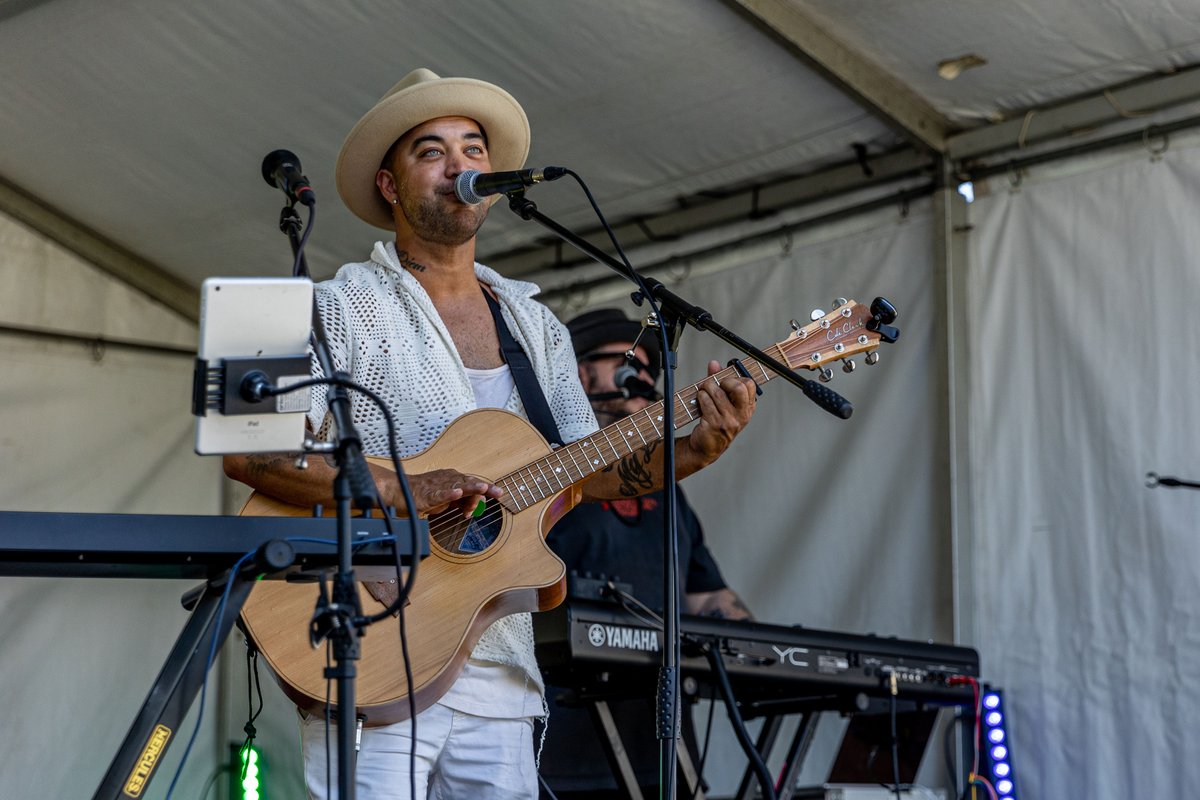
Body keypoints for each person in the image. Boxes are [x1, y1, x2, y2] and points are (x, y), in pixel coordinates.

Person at [223, 68, 758, 800]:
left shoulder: (533, 324)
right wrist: (407, 487)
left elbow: (583, 467)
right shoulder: (336, 306)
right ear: (390, 185)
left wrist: (697, 448)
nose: (459, 165)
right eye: (432, 151)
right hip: (371, 646)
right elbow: (250, 449)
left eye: (472, 149)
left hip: (502, 667)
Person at [538, 309, 752, 799]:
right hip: (563, 754)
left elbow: (708, 599)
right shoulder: (540, 475)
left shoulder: (671, 497)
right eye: (626, 365)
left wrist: (764, 652)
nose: (644, 379)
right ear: (578, 373)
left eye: (650, 371)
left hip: (665, 755)